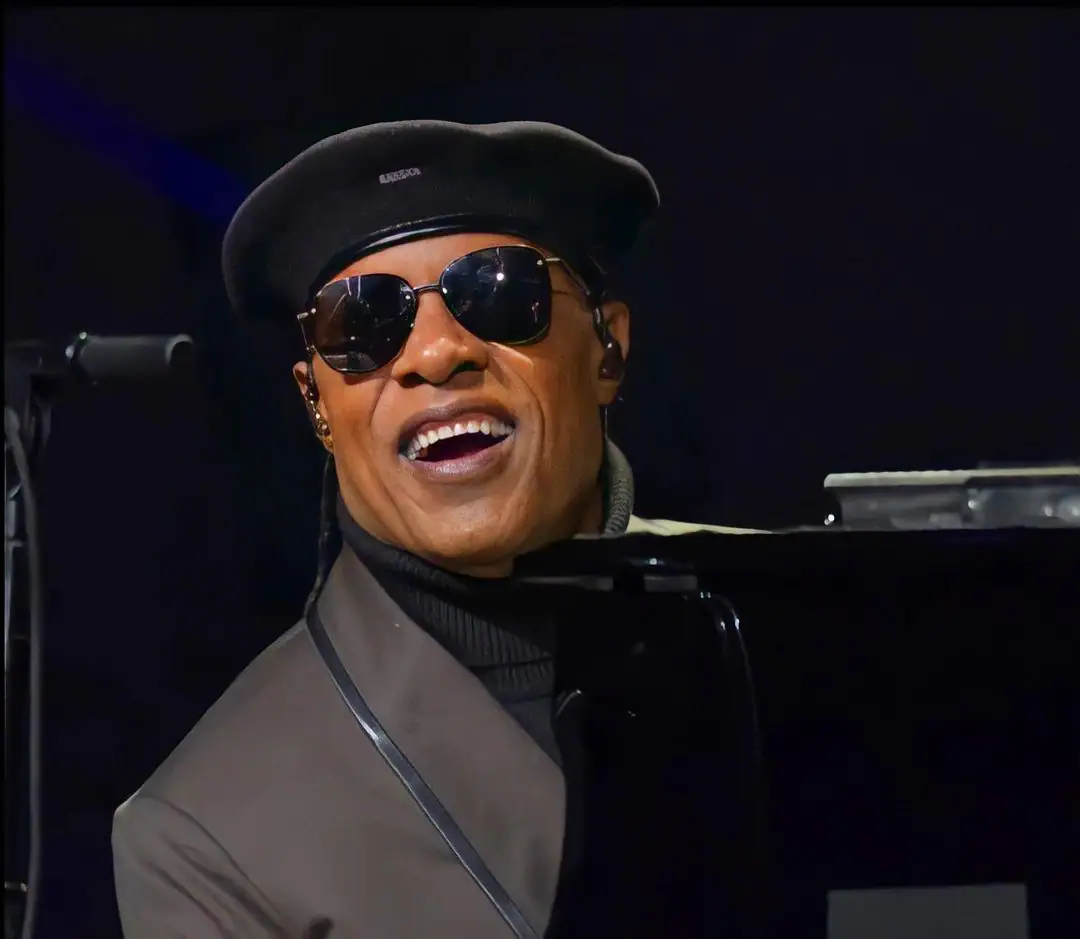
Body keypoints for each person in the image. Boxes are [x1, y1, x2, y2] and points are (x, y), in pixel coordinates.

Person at [111, 120, 759, 938]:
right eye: (362, 322)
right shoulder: (204, 836)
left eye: (499, 291)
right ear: (316, 403)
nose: (436, 352)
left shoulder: (817, 619)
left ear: (608, 349)